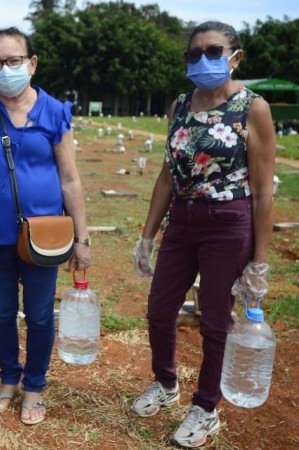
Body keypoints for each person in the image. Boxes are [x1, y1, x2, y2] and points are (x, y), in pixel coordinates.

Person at [131, 21, 275, 448]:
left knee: (215, 320)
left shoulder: (253, 107)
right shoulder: (179, 104)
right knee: (159, 310)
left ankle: (206, 407)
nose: (202, 60)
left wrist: (259, 262)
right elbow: (165, 175)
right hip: (183, 219)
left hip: (228, 223)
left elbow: (265, 191)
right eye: (193, 54)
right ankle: (165, 382)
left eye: (212, 51)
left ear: (235, 56)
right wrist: (147, 236)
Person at [0, 27, 91, 426]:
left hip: (44, 237)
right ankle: (8, 379)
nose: (6, 68)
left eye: (14, 60)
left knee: (39, 316)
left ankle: (34, 385)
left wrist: (82, 239)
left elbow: (70, 179)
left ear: (31, 64)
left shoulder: (54, 111)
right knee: (0, 313)